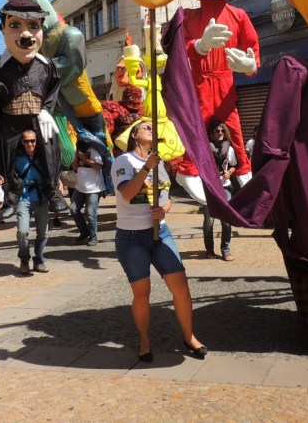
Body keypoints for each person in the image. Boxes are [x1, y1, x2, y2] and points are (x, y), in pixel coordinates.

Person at [112, 121, 207, 362]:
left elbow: (167, 198)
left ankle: (189, 337)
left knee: (181, 287)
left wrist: (163, 210)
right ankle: (144, 340)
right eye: (146, 128)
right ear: (135, 135)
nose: (152, 130)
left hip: (160, 233)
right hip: (131, 237)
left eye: (152, 128)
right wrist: (146, 168)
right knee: (142, 293)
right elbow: (127, 193)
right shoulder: (124, 162)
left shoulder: (159, 162)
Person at [172, 0, 261, 200]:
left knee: (234, 128)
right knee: (196, 125)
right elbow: (180, 48)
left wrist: (249, 64)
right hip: (200, 80)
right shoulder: (187, 16)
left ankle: (243, 168)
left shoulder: (239, 15)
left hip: (226, 81)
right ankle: (187, 170)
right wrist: (201, 45)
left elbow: (253, 49)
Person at [0, 0, 61, 210]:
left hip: (38, 116)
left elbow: (54, 87)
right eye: (15, 25)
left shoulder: (47, 66)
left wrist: (47, 110)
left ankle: (52, 189)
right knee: (5, 151)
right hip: (9, 118)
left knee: (49, 145)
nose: (26, 34)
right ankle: (11, 192)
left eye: (33, 26)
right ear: (2, 29)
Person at [0, 129, 51, 275]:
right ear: (22, 142)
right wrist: (2, 180)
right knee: (22, 231)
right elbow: (8, 175)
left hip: (41, 198)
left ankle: (39, 260)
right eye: (26, 141)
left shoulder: (44, 157)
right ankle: (24, 258)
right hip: (23, 198)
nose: (30, 144)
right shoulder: (17, 158)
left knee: (43, 233)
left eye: (32, 140)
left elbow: (53, 170)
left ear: (37, 141)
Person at [205, 120, 235, 261]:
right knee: (209, 222)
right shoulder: (205, 149)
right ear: (211, 134)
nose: (221, 133)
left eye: (223, 130)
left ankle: (225, 250)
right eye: (217, 131)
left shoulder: (229, 148)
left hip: (225, 186)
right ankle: (209, 250)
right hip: (209, 187)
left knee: (226, 220)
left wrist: (230, 171)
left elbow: (235, 164)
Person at [70, 140, 103, 245]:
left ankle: (93, 237)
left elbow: (98, 166)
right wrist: (76, 157)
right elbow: (74, 167)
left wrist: (85, 159)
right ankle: (84, 232)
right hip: (80, 187)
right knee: (73, 209)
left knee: (90, 213)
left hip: (94, 188)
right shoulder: (77, 151)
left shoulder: (93, 151)